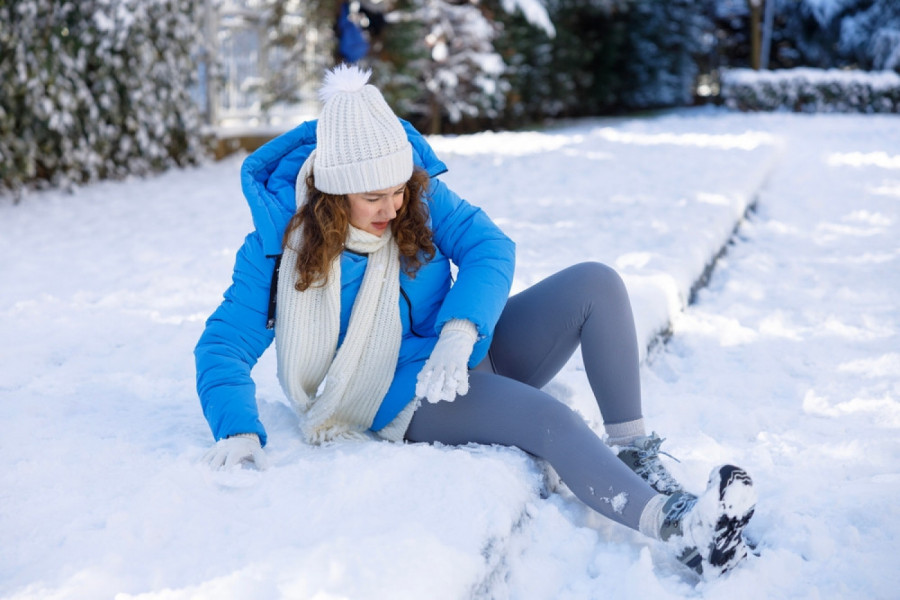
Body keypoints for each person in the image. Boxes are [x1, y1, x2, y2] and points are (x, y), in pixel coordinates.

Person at [196, 64, 756, 578]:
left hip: (464, 352)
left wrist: (461, 330)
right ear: (332, 193)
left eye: (398, 190)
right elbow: (223, 345)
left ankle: (636, 457)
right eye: (373, 196)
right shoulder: (278, 249)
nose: (392, 208)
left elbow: (490, 246)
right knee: (551, 420)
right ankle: (682, 531)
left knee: (596, 283)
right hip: (401, 394)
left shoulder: (418, 195)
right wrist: (238, 428)